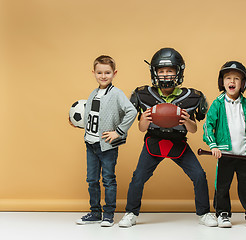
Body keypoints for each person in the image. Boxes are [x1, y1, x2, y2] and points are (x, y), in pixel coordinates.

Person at [118, 48, 217, 228]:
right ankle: (131, 212)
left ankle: (204, 213)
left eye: (170, 70)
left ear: (178, 72)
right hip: (153, 142)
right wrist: (143, 120)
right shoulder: (143, 94)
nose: (165, 75)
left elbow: (194, 129)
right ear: (154, 72)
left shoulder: (192, 97)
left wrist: (187, 121)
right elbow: (141, 129)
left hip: (178, 142)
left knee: (199, 176)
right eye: (161, 71)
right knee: (138, 177)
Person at [70, 55, 137, 227]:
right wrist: (79, 124)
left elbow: (131, 111)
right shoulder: (93, 93)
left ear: (114, 73)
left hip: (106, 146)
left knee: (108, 179)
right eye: (99, 72)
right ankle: (95, 212)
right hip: (90, 144)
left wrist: (118, 132)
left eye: (107, 72)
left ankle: (108, 214)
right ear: (94, 73)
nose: (103, 76)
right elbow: (95, 117)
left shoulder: (116, 94)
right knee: (92, 179)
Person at [203, 61, 246, 229]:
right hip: (225, 155)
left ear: (243, 83)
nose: (232, 81)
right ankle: (222, 214)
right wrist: (213, 145)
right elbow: (208, 125)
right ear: (222, 82)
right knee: (222, 186)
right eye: (228, 78)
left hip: (245, 155)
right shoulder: (217, 104)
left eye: (237, 78)